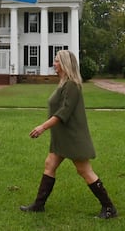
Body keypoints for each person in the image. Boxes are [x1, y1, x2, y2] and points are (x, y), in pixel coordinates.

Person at [19, 49, 118, 219]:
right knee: (50, 164)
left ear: (64, 64)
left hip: (72, 137)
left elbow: (63, 112)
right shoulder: (64, 83)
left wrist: (43, 127)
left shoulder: (72, 85)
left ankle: (109, 208)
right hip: (62, 137)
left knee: (84, 170)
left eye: (56, 61)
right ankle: (38, 205)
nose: (53, 64)